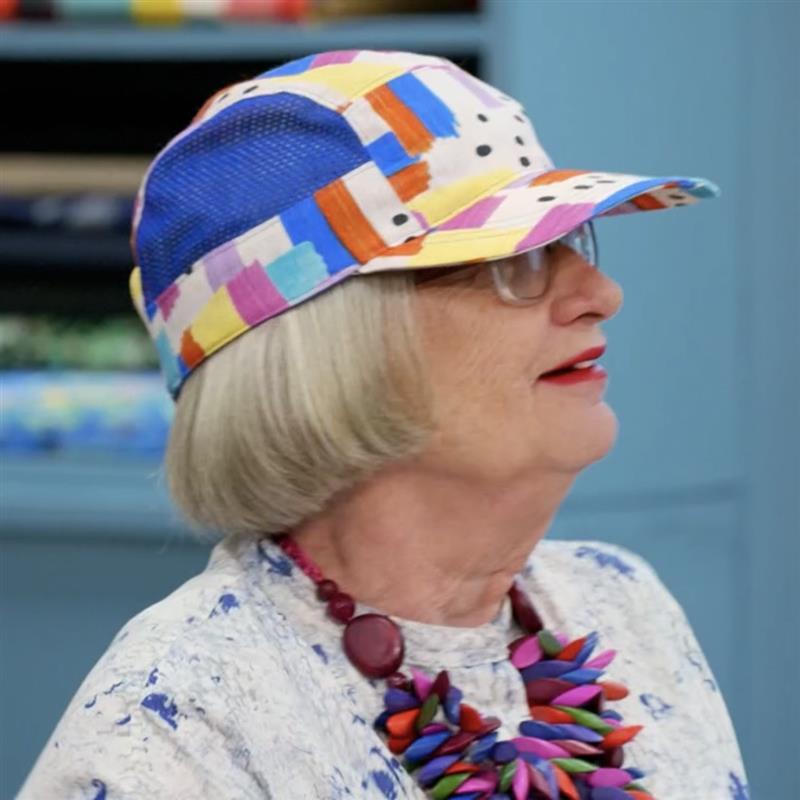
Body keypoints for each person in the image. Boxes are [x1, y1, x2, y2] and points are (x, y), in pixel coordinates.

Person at [19, 50, 750, 799]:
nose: (601, 292)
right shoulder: (171, 735)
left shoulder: (619, 599)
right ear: (327, 342)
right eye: (514, 259)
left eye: (573, 243)